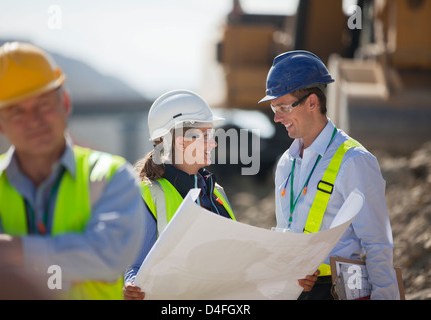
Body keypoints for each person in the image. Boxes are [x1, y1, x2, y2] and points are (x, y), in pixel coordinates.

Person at [0, 42, 150, 299]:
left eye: (43, 104)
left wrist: (12, 249)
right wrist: (75, 256)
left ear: (66, 102)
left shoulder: (112, 176)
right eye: (17, 112)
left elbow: (109, 257)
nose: (34, 120)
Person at [123, 89, 319, 300]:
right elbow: (135, 266)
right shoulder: (147, 194)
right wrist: (131, 286)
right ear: (181, 142)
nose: (214, 143)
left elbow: (236, 265)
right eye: (206, 136)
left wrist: (291, 278)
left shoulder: (216, 193)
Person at [259, 50, 399, 299]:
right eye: (273, 107)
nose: (277, 117)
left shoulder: (355, 161)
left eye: (282, 107)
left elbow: (377, 243)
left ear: (312, 102)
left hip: (341, 289)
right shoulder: (285, 163)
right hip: (294, 290)